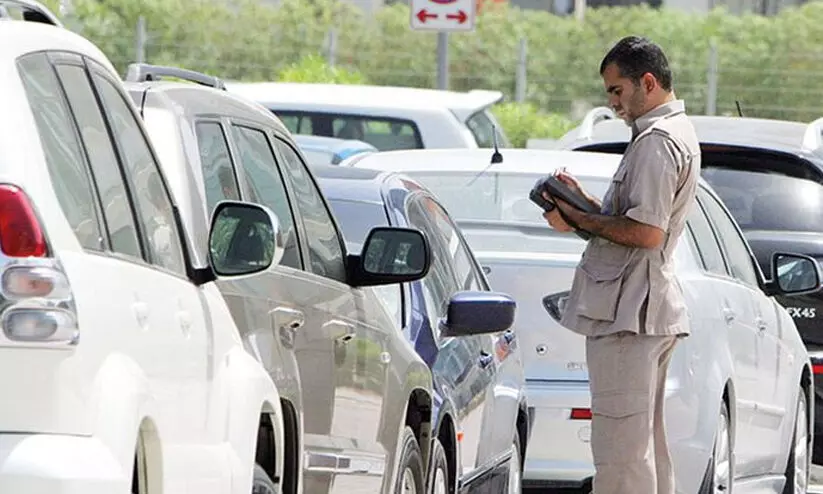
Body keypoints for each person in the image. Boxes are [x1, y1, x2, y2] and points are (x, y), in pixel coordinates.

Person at [542, 36, 701, 494]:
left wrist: (579, 217)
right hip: (639, 309)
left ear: (647, 83)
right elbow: (632, 221)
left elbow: (646, 233)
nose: (613, 104)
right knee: (642, 448)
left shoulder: (657, 141)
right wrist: (582, 208)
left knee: (621, 456)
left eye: (617, 91)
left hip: (631, 314)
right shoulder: (665, 135)